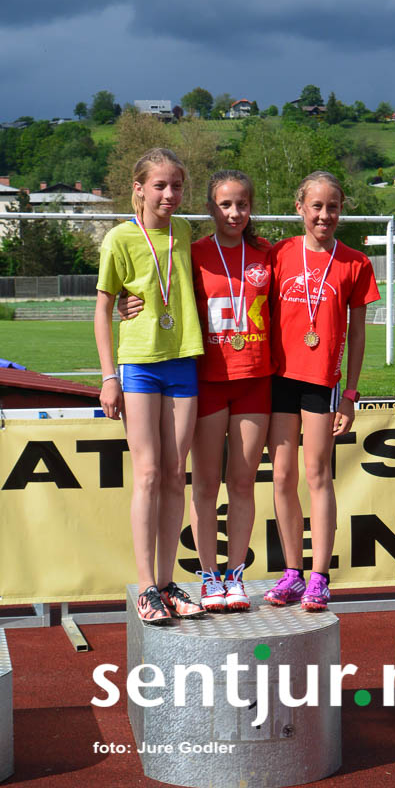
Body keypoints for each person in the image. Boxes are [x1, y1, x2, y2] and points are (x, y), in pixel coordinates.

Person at [117, 170, 273, 613]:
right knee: (203, 484)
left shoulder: (268, 254)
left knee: (242, 483)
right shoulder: (192, 248)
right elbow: (154, 280)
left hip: (255, 381)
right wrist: (124, 302)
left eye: (242, 204)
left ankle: (235, 575)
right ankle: (207, 577)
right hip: (206, 380)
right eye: (225, 205)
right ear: (209, 208)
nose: (234, 213)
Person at [94, 147, 205, 624]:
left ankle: (166, 582)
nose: (169, 194)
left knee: (176, 474)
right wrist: (109, 377)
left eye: (176, 185)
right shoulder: (119, 238)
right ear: (138, 188)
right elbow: (103, 309)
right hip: (139, 365)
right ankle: (145, 588)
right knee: (148, 473)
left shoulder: (185, 232)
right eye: (160, 185)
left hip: (183, 361)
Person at [264, 171, 380, 612]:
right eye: (316, 206)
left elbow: (359, 334)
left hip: (321, 382)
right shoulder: (279, 254)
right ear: (300, 208)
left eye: (332, 207)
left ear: (341, 210)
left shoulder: (355, 262)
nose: (324, 215)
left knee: (317, 474)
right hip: (279, 378)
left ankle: (319, 577)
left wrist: (350, 393)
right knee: (281, 476)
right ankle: (292, 573)